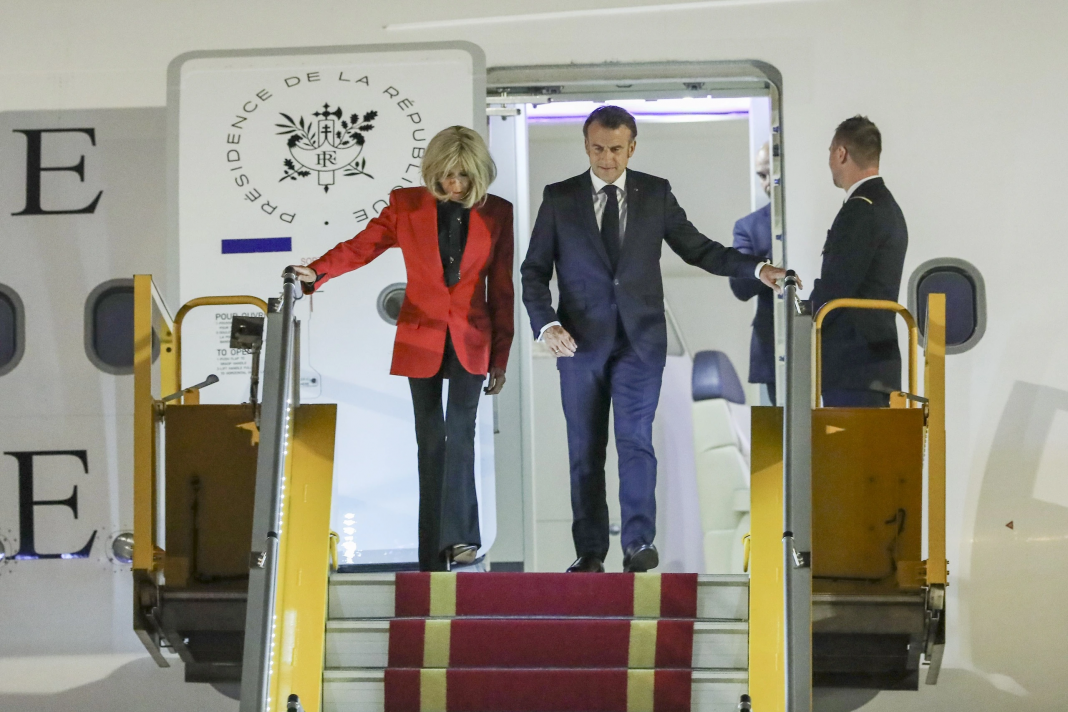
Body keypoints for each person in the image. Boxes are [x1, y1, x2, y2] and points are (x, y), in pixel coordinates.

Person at [521, 106, 791, 574]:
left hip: (640, 343)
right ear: (586, 146)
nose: (607, 159)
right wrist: (546, 324)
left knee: (635, 441)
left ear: (632, 147)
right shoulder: (560, 198)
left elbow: (699, 249)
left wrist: (755, 268)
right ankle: (590, 553)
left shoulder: (655, 193)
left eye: (616, 149)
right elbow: (534, 272)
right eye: (598, 149)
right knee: (585, 450)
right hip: (580, 345)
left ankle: (637, 544)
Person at [287, 126, 514, 571]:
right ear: (433, 171)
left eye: (464, 176)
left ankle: (461, 539)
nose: (456, 185)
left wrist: (501, 357)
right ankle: (433, 549)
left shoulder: (498, 212)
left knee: (460, 436)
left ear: (479, 174)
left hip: (472, 339)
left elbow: (502, 289)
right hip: (420, 337)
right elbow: (363, 246)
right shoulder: (406, 205)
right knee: (430, 440)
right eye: (447, 175)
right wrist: (318, 272)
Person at [809, 115, 907, 408]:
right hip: (874, 366)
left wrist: (801, 313)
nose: (829, 160)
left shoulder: (860, 210)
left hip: (853, 367)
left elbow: (837, 285)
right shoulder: (886, 205)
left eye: (830, 151)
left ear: (841, 153)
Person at [729, 142, 776, 405]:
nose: (767, 183)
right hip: (773, 348)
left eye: (771, 173)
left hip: (824, 346)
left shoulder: (817, 217)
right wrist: (775, 258)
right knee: (779, 426)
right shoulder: (749, 227)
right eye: (761, 175)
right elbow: (739, 285)